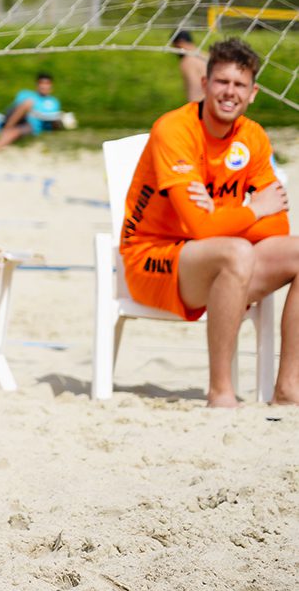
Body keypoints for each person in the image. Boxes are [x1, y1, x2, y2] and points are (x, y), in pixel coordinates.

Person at [120, 38, 299, 407]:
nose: (230, 92)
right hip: (152, 259)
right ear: (204, 84)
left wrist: (215, 216)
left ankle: (288, 389)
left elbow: (278, 226)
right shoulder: (174, 129)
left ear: (253, 93)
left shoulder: (253, 136)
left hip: (215, 257)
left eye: (239, 84)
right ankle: (221, 393)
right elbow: (201, 229)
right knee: (236, 252)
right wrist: (252, 211)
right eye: (222, 81)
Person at [0, 72, 61, 158]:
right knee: (28, 103)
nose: (44, 86)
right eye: (41, 83)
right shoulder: (26, 94)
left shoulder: (53, 102)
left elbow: (53, 121)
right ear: (37, 84)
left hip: (31, 124)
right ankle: (7, 128)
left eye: (47, 83)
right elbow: (17, 107)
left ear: (51, 86)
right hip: (17, 118)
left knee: (14, 132)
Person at [172, 29, 207, 103]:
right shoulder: (206, 55)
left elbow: (194, 89)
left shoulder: (187, 61)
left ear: (179, 43)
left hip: (199, 104)